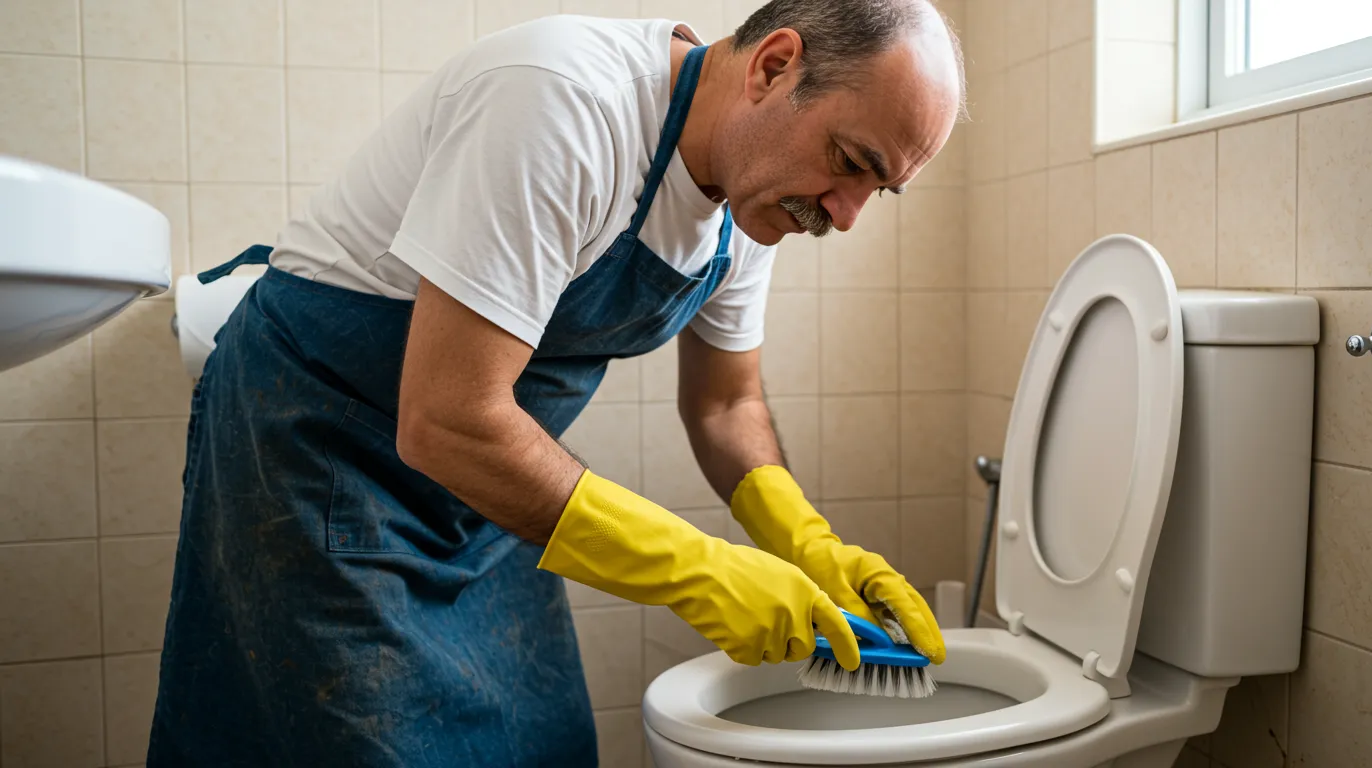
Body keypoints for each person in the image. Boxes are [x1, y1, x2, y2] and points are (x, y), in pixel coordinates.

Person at [148, 0, 967, 765]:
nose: (850, 213)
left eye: (879, 188)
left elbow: (726, 404)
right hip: (318, 454)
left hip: (485, 493)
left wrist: (806, 540)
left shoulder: (751, 199)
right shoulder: (563, 103)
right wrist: (699, 569)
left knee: (540, 745)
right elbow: (447, 419)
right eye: (850, 163)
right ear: (774, 66)